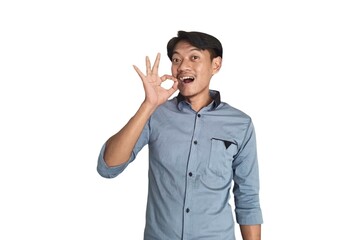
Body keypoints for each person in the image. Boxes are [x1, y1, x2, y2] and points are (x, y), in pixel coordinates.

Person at [97, 30, 263, 240]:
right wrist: (148, 105)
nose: (183, 66)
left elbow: (247, 198)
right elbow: (108, 167)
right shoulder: (156, 114)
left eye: (194, 57)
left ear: (216, 65)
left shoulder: (240, 124)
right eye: (176, 59)